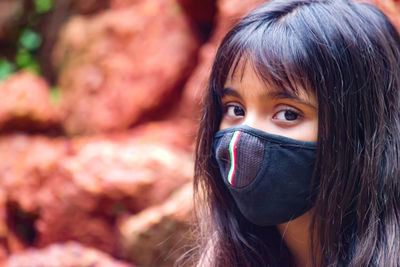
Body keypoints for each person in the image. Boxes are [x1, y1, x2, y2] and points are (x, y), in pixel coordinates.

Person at [192, 0, 400, 266]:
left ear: (363, 129)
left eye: (288, 114)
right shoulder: (225, 258)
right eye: (235, 109)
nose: (242, 138)